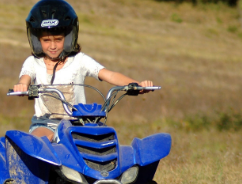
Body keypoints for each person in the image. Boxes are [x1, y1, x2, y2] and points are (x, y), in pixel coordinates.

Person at [13, 0, 153, 142]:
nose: (53, 45)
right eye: (46, 40)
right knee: (36, 142)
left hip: (78, 122)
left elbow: (108, 74)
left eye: (58, 39)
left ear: (68, 38)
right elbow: (25, 77)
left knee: (100, 140)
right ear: (37, 40)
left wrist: (136, 84)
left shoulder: (79, 60)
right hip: (46, 123)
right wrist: (22, 86)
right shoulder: (33, 62)